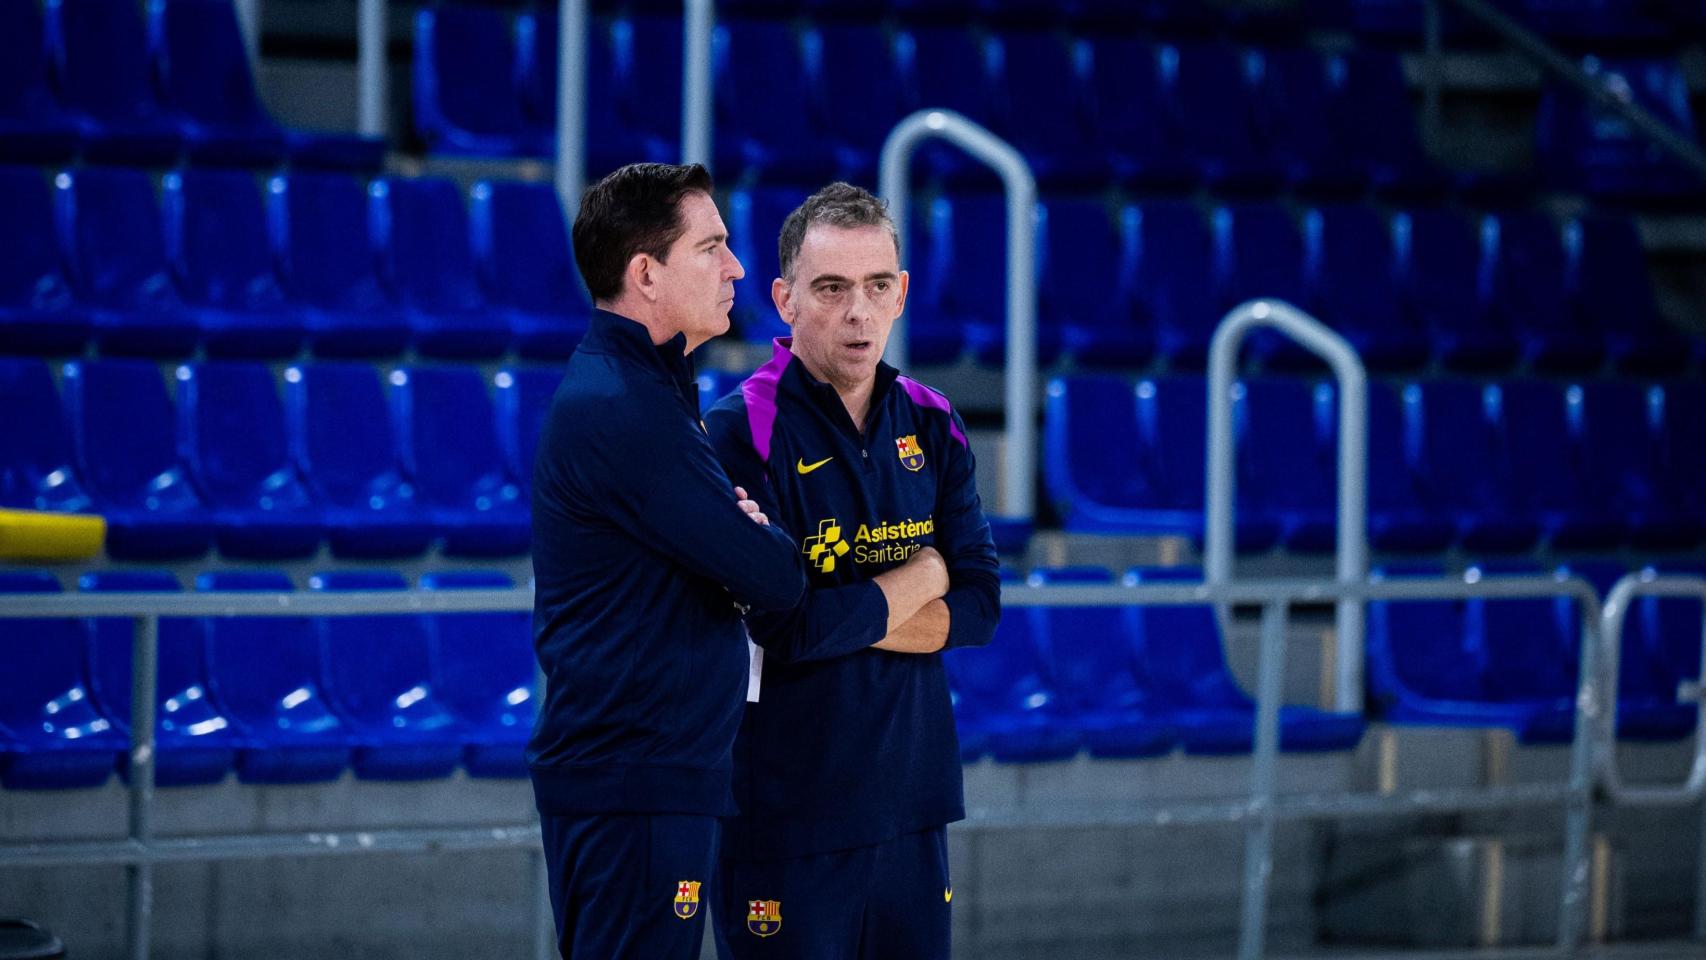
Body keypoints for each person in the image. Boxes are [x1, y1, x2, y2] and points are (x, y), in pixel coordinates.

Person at [702, 182, 1001, 959]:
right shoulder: (740, 432)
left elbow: (981, 606)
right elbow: (787, 628)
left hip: (912, 804)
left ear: (901, 293)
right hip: (783, 812)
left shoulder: (934, 423)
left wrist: (853, 613)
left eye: (876, 286)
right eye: (831, 289)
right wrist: (925, 573)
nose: (857, 311)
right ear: (785, 299)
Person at [529, 162, 807, 959]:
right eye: (712, 247)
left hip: (643, 783)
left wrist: (742, 532)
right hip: (635, 787)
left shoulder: (644, 389)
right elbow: (775, 576)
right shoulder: (627, 407)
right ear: (646, 274)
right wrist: (753, 536)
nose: (738, 267)